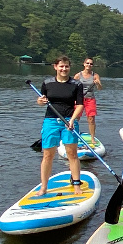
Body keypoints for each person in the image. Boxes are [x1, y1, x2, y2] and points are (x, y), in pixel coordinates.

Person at [36, 55, 85, 196]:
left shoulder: (76, 84)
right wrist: (40, 101)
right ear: (55, 67)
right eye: (61, 66)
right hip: (51, 120)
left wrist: (72, 120)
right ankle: (44, 187)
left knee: (72, 153)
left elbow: (80, 105)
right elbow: (41, 101)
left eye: (67, 66)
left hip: (69, 120)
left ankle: (76, 184)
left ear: (70, 67)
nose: (64, 69)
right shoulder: (47, 83)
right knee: (47, 155)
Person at [74, 56, 103, 138]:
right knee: (76, 118)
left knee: (91, 119)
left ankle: (92, 137)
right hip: (79, 99)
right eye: (87, 63)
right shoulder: (78, 75)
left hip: (90, 99)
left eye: (91, 64)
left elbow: (100, 88)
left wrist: (97, 83)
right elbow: (73, 88)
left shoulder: (95, 75)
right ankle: (74, 135)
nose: (89, 65)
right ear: (84, 64)